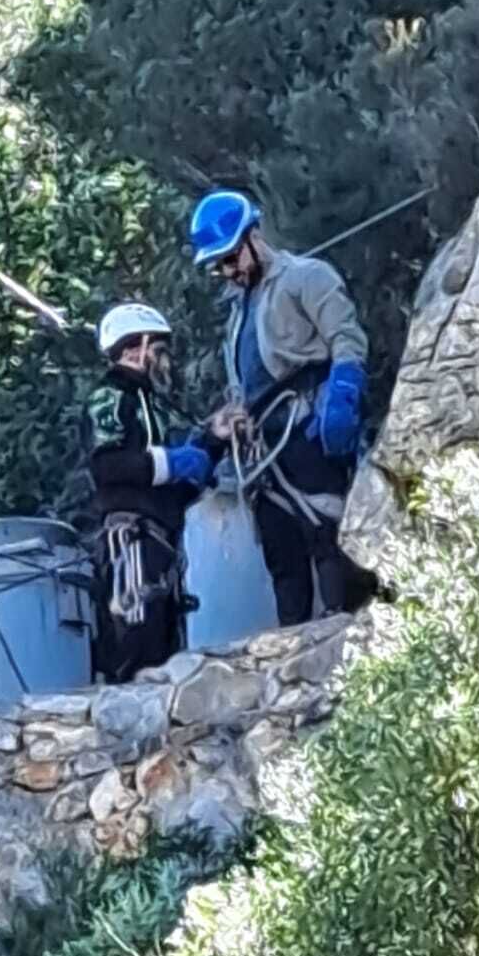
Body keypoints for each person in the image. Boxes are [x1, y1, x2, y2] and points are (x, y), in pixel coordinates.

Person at [190, 190, 374, 628]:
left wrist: (344, 395)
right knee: (282, 555)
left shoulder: (307, 278)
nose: (227, 271)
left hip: (307, 428)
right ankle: (294, 648)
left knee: (328, 534)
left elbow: (347, 339)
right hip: (264, 449)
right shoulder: (238, 315)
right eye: (219, 265)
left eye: (231, 258)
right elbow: (246, 381)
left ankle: (346, 634)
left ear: (253, 237)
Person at [85, 301, 218, 683]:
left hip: (161, 542)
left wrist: (212, 442)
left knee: (165, 653)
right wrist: (171, 463)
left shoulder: (154, 405)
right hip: (130, 543)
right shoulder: (109, 397)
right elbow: (107, 466)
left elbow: (173, 480)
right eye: (160, 352)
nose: (167, 363)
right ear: (136, 348)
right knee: (135, 650)